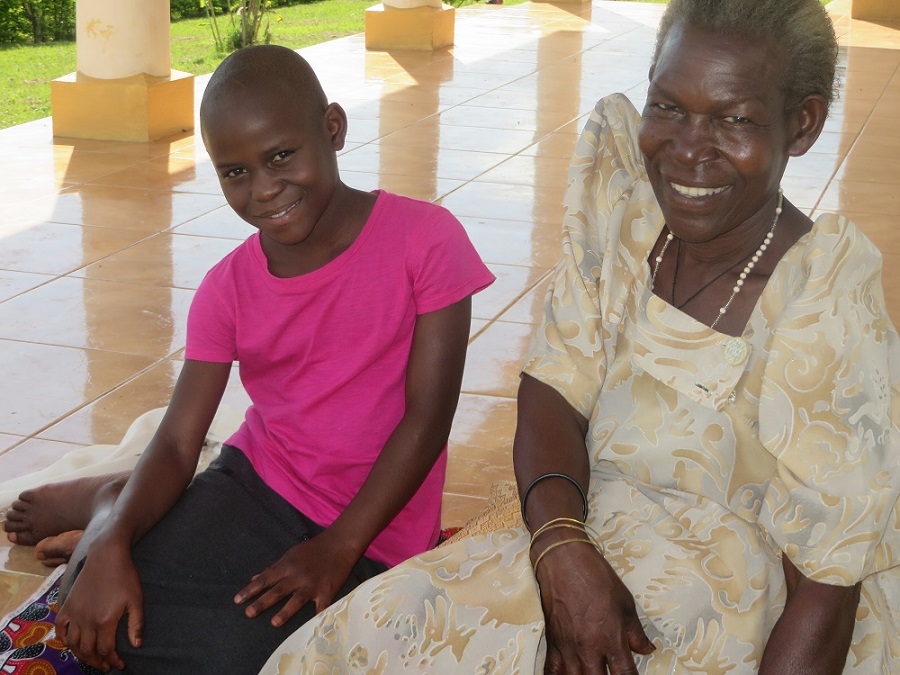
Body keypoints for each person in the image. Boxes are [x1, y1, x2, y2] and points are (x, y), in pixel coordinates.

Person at [256, 1, 900, 673]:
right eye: (670, 106)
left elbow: (825, 588)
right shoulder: (628, 217)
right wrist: (562, 551)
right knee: (338, 649)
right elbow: (553, 388)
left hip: (748, 607)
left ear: (802, 124)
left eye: (734, 119)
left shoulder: (825, 301)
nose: (688, 149)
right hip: (584, 529)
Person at [3, 44, 495, 674]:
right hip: (254, 486)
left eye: (281, 156)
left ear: (333, 128)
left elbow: (427, 417)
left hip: (372, 524)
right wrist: (115, 546)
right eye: (234, 172)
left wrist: (338, 546)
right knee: (94, 611)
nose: (263, 190)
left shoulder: (426, 239)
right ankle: (113, 512)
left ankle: (118, 506)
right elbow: (180, 440)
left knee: (244, 657)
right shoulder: (227, 287)